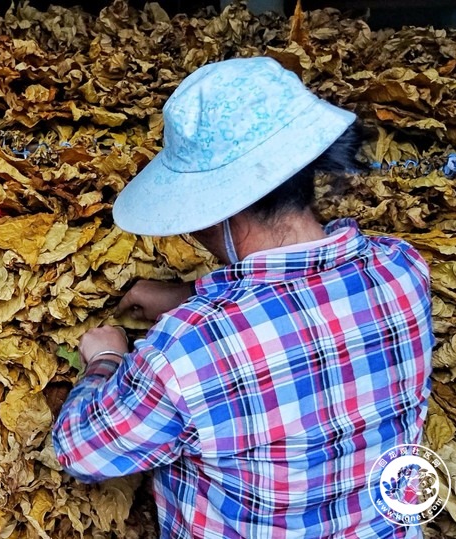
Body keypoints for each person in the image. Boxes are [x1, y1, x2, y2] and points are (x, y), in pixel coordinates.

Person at [51, 57, 434, 538]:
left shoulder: (188, 349)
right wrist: (187, 294)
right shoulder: (401, 268)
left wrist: (105, 358)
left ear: (216, 210)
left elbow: (82, 451)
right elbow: (301, 314)